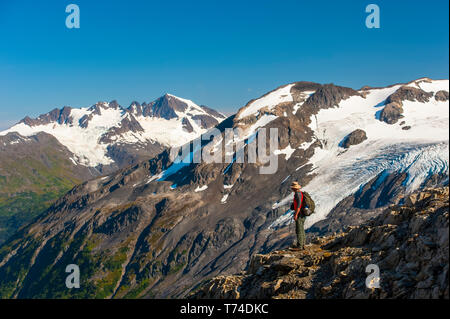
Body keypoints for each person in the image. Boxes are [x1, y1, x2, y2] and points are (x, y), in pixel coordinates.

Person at [290, 181, 315, 250]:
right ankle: (302, 244)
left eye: (292, 188)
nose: (292, 189)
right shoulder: (299, 194)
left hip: (300, 214)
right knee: (301, 229)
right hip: (302, 214)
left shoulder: (298, 195)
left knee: (299, 229)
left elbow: (298, 206)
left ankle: (300, 246)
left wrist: (296, 214)